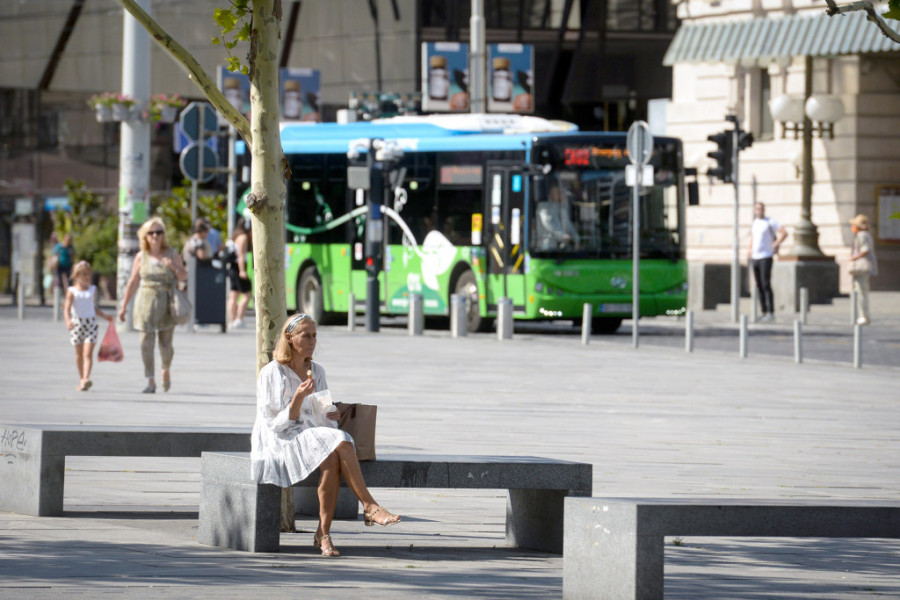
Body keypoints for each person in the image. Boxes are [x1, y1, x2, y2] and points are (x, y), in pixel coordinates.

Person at [252, 313, 401, 557]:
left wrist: (331, 414)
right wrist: (298, 399)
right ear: (290, 338)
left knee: (332, 459)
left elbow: (321, 413)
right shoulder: (273, 372)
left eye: (314, 336)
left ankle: (323, 533)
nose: (312, 341)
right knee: (342, 439)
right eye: (305, 335)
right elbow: (274, 425)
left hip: (310, 434)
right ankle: (370, 506)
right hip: (281, 439)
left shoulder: (317, 370)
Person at [118, 217, 188, 393]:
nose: (155, 236)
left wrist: (172, 266)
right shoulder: (141, 256)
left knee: (166, 344)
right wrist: (123, 305)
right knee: (145, 343)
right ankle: (150, 380)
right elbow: (133, 281)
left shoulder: (172, 253)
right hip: (145, 302)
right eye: (151, 232)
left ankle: (165, 369)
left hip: (167, 302)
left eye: (159, 232)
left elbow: (183, 277)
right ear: (145, 236)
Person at [64, 261, 114, 391]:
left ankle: (86, 378)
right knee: (79, 354)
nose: (87, 277)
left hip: (91, 324)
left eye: (88, 275)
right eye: (83, 274)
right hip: (77, 324)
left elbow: (93, 307)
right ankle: (81, 379)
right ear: (76, 276)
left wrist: (104, 316)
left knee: (88, 353)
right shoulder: (72, 291)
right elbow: (66, 309)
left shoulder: (93, 290)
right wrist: (68, 321)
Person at [748, 202, 787, 322]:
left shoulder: (770, 222)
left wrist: (775, 244)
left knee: (766, 284)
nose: (758, 210)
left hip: (766, 256)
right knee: (758, 284)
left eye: (760, 208)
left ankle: (771, 312)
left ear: (764, 210)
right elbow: (753, 238)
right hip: (755, 257)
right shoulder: (755, 223)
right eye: (756, 208)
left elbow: (784, 233)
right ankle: (763, 311)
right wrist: (749, 250)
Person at [848, 214, 878, 325]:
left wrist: (853, 258)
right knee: (861, 291)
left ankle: (864, 315)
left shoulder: (862, 235)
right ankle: (863, 315)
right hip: (864, 268)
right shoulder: (865, 235)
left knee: (861, 292)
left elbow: (865, 250)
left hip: (862, 267)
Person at [224, 217, 252, 330]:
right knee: (247, 294)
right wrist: (242, 271)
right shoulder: (243, 237)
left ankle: (232, 319)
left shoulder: (235, 236)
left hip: (232, 268)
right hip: (239, 268)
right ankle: (239, 319)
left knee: (234, 295)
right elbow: (241, 254)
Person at [536, 179, 578, 250]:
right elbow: (548, 223)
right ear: (550, 193)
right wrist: (562, 235)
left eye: (560, 192)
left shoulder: (561, 207)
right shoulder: (543, 206)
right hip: (546, 245)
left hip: (559, 246)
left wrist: (576, 237)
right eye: (556, 192)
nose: (559, 194)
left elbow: (567, 223)